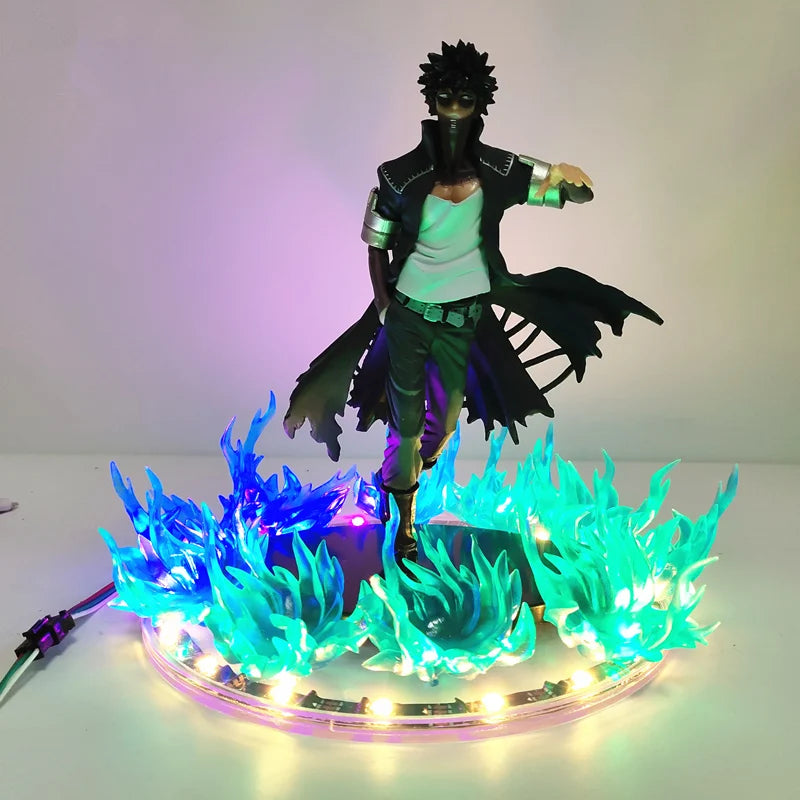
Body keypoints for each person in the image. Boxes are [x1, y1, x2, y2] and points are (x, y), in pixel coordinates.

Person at [284, 41, 662, 565]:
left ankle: (397, 480)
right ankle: (404, 521)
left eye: (465, 99)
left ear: (480, 103)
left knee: (441, 426)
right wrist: (385, 305)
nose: (454, 109)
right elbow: (375, 243)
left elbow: (567, 193)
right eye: (445, 98)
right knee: (407, 423)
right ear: (431, 101)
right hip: (409, 316)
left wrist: (570, 179)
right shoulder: (398, 174)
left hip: (463, 319)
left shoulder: (500, 169)